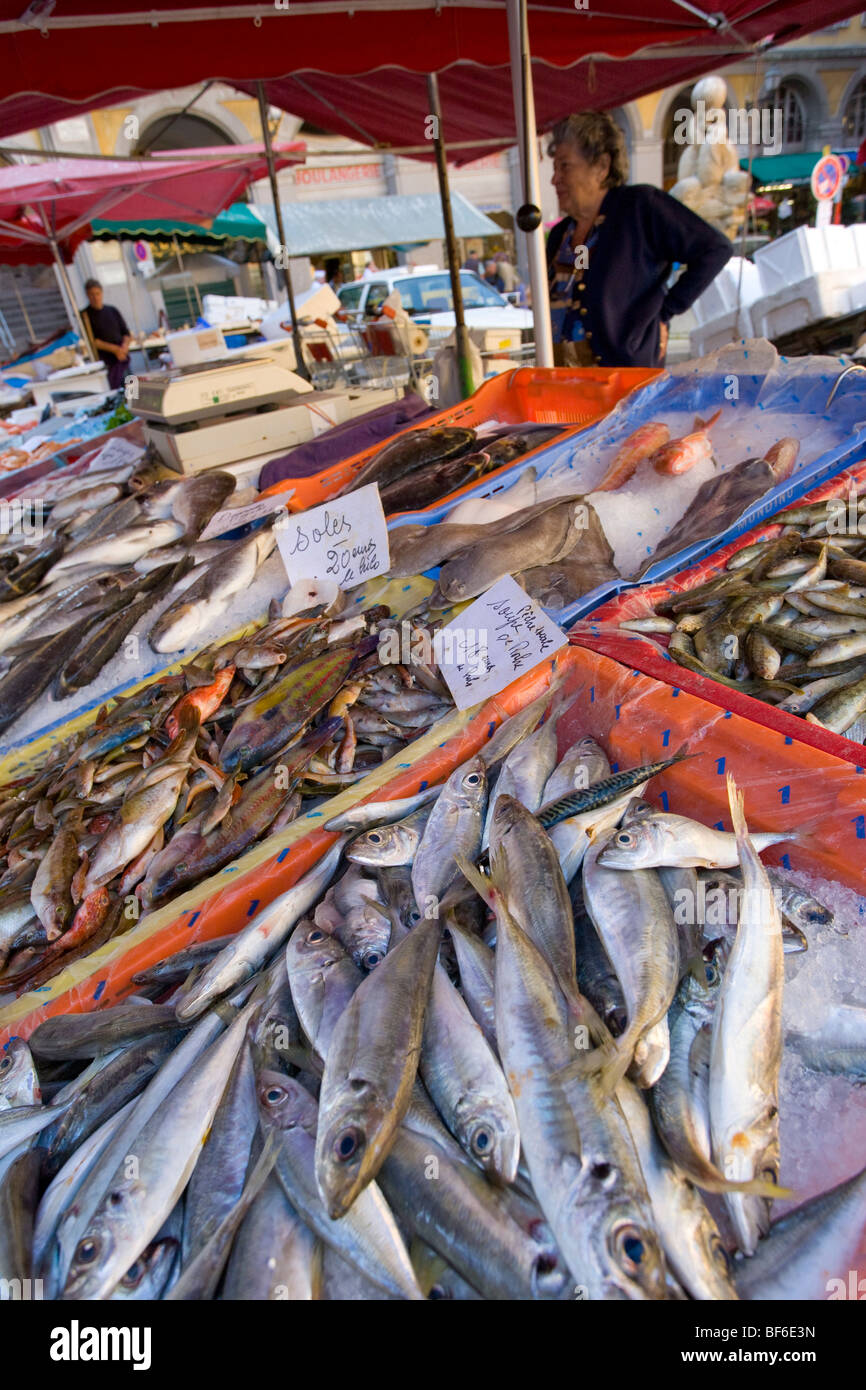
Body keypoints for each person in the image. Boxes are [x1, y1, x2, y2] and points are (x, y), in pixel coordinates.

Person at [546, 111, 732, 367]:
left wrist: (664, 313)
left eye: (564, 166)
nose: (554, 179)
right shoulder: (561, 235)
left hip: (624, 382)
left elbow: (714, 249)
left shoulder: (638, 208)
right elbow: (578, 281)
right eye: (555, 169)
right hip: (565, 389)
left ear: (601, 166)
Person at [81, 278, 132, 390]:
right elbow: (93, 341)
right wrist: (115, 350)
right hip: (107, 361)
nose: (95, 297)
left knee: (133, 390)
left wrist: (124, 347)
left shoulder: (112, 310)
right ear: (87, 295)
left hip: (122, 356)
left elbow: (126, 333)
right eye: (91, 295)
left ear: (102, 293)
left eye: (97, 294)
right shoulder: (86, 315)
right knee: (116, 392)